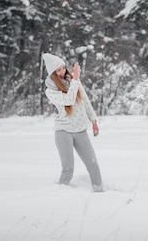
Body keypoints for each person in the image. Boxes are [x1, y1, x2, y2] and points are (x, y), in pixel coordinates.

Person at [42, 53, 103, 192]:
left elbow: (85, 100)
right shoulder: (50, 91)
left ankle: (100, 192)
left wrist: (93, 120)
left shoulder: (73, 81)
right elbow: (68, 100)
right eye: (58, 70)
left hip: (81, 130)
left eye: (63, 67)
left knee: (93, 164)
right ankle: (59, 196)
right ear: (52, 73)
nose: (63, 71)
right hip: (64, 131)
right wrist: (75, 80)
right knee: (68, 168)